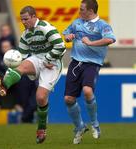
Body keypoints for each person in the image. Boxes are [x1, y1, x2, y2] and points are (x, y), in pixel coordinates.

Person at [0, 6, 66, 143]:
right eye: (22, 20)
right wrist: (10, 65)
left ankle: (41, 129)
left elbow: (60, 46)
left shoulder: (46, 28)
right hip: (38, 59)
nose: (24, 22)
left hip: (52, 63)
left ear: (34, 17)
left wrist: (48, 59)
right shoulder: (25, 34)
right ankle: (4, 86)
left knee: (40, 97)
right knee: (21, 65)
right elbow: (21, 57)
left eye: (26, 19)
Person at [63, 0, 116, 144]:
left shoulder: (102, 25)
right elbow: (67, 32)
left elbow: (110, 39)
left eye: (81, 9)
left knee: (87, 91)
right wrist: (68, 37)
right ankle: (79, 127)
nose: (79, 12)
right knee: (68, 99)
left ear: (91, 11)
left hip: (92, 64)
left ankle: (95, 124)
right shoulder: (77, 23)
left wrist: (91, 43)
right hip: (75, 63)